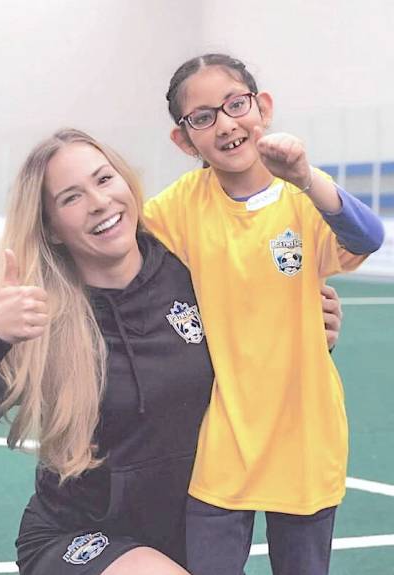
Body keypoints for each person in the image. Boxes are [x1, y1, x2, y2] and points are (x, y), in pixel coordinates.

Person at [0, 129, 345, 575]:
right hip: (81, 536)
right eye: (71, 198)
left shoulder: (194, 272)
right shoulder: (40, 316)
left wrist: (307, 328)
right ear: (52, 229)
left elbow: (264, 334)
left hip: (193, 534)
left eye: (104, 179)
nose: (99, 201)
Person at [147, 53, 385, 575]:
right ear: (184, 141)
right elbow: (124, 261)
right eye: (203, 117)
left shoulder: (303, 199)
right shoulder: (178, 207)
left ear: (264, 107)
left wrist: (305, 175)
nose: (227, 124)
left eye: (236, 104)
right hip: (221, 437)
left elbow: (368, 236)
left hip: (305, 433)